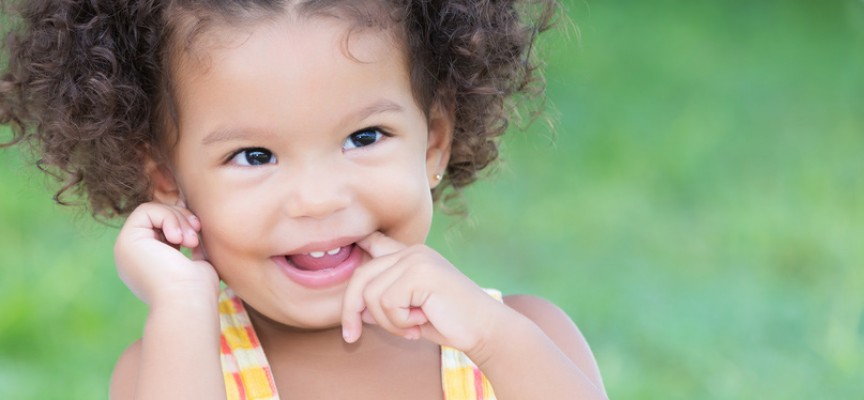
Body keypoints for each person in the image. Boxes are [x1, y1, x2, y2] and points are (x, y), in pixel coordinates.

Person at [0, 0, 607, 398]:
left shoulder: (523, 339)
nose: (317, 200)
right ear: (165, 177)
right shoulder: (174, 369)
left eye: (364, 137)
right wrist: (184, 302)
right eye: (254, 156)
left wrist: (495, 339)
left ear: (434, 143)